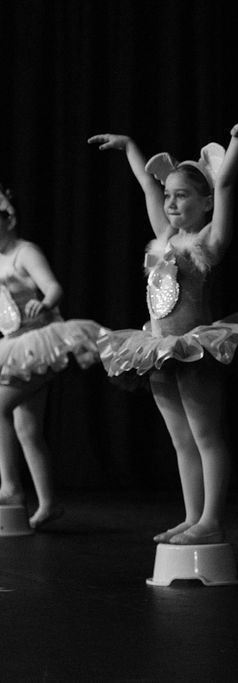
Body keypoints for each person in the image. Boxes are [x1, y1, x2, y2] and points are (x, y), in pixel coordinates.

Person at [88, 125, 238, 545]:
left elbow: (224, 183)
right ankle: (192, 518)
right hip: (156, 349)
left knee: (207, 437)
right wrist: (131, 145)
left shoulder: (209, 240)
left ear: (205, 202)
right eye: (169, 196)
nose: (170, 202)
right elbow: (147, 188)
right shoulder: (164, 239)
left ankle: (211, 520)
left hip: (195, 349)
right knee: (181, 440)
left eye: (182, 195)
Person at [0, 184, 105, 528]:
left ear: (8, 219)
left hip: (39, 342)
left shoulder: (24, 252)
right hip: (13, 345)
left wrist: (43, 303)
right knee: (26, 427)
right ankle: (49, 503)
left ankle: (11, 486)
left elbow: (54, 287)